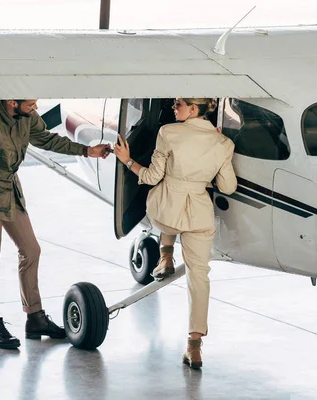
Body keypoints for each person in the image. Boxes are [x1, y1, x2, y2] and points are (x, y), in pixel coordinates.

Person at [0, 99, 110, 350]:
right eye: (30, 103)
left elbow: (47, 139)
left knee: (31, 251)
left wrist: (87, 151)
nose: (36, 107)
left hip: (10, 192)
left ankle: (35, 317)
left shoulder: (25, 115)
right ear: (12, 101)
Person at [113, 98, 237, 369]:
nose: (172, 106)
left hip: (166, 210)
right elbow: (228, 186)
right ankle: (194, 346)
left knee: (163, 212)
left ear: (194, 110)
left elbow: (151, 177)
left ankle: (165, 255)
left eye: (179, 103)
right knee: (199, 275)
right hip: (200, 214)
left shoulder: (167, 132)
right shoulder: (224, 143)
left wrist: (128, 160)